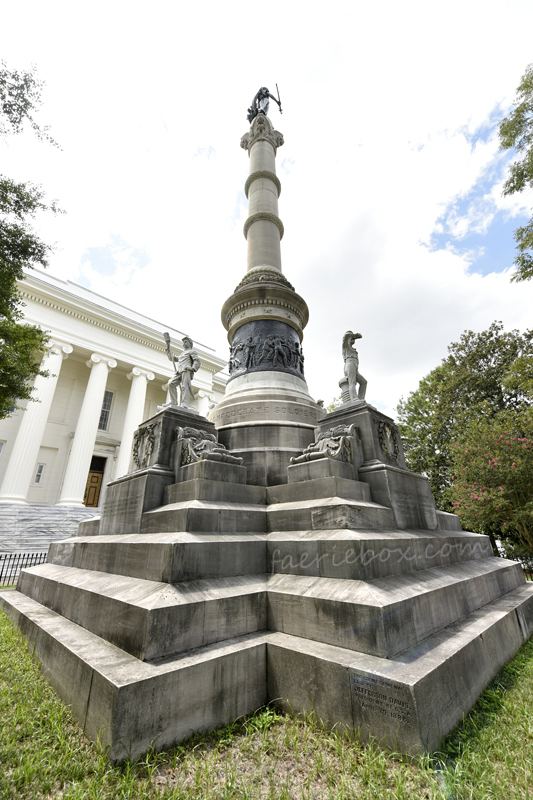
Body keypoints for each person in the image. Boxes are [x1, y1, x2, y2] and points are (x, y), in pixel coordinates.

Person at [167, 336, 200, 408]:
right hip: (179, 372)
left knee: (185, 387)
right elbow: (171, 358)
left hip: (186, 370)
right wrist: (168, 345)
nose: (184, 343)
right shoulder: (182, 354)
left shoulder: (192, 352)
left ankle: (184, 404)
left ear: (190, 343)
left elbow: (197, 361)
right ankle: (173, 402)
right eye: (183, 342)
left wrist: (192, 368)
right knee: (171, 383)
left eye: (186, 342)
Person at [342, 331, 367, 402]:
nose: (353, 340)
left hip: (355, 367)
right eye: (351, 338)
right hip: (350, 364)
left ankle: (361, 398)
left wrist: (353, 337)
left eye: (353, 339)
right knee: (352, 382)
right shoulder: (345, 346)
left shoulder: (353, 349)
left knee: (364, 382)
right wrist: (354, 335)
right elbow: (346, 336)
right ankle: (354, 399)